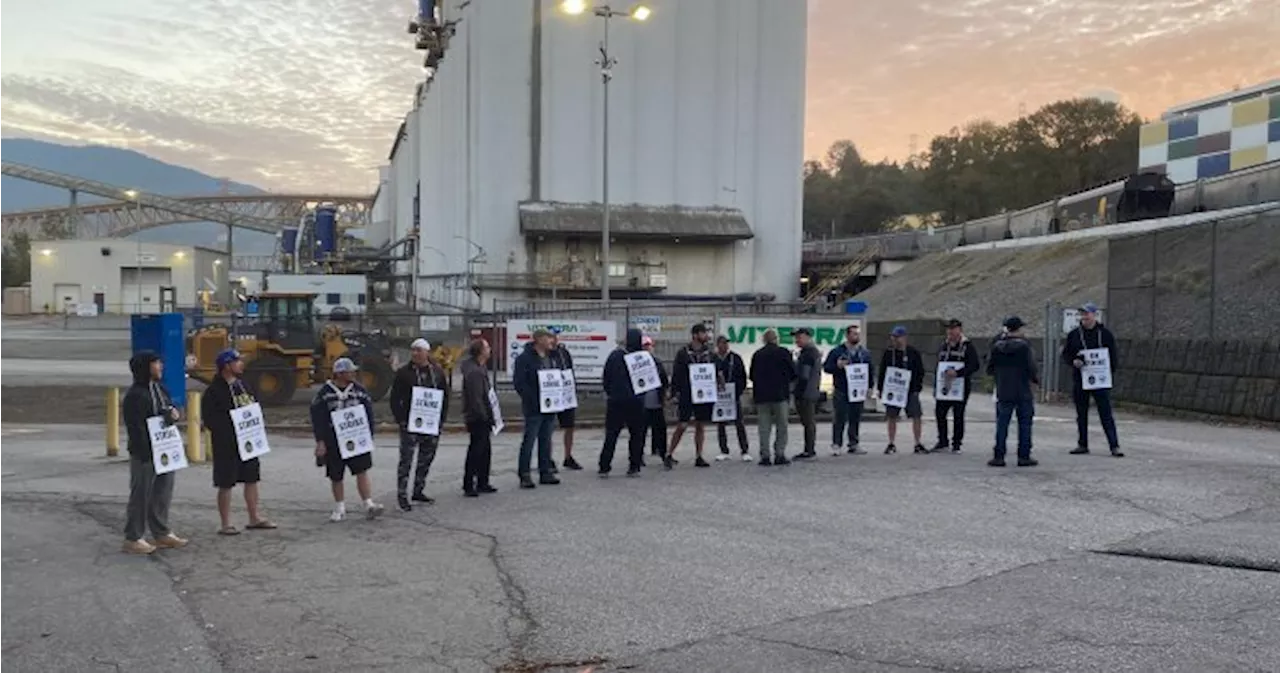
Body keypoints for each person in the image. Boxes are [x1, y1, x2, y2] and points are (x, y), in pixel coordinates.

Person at [202, 349, 277, 536]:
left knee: (252, 479)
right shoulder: (213, 391)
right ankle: (226, 523)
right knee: (226, 483)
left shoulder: (244, 386)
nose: (241, 364)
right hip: (226, 444)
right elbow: (210, 420)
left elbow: (254, 406)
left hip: (248, 441)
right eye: (237, 362)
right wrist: (230, 427)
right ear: (226, 366)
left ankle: (254, 517)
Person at [121, 351, 186, 554]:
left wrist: (173, 414)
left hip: (165, 450)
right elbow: (135, 426)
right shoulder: (135, 395)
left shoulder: (160, 389)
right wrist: (144, 450)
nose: (160, 366)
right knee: (141, 494)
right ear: (145, 367)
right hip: (145, 453)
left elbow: (167, 410)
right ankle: (133, 537)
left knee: (162, 492)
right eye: (156, 363)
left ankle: (161, 532)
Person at [311, 358, 385, 521]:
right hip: (334, 439)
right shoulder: (325, 393)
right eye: (350, 371)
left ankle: (368, 504)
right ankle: (339, 507)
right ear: (339, 373)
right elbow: (318, 417)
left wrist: (369, 435)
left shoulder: (359, 390)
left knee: (362, 471)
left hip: (356, 437)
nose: (353, 373)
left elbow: (368, 413)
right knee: (336, 475)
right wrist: (320, 441)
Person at [388, 338, 449, 511]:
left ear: (426, 352)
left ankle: (418, 490)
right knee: (406, 460)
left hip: (431, 422)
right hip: (410, 422)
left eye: (419, 350)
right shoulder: (403, 373)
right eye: (413, 350)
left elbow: (445, 396)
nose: (415, 353)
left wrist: (441, 420)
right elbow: (395, 399)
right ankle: (402, 494)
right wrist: (400, 419)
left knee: (426, 458)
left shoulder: (437, 372)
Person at [1062, 302, 1124, 457]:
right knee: (1081, 413)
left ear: (1094, 315)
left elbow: (1113, 356)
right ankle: (1082, 444)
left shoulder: (1105, 334)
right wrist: (1073, 362)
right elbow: (1066, 354)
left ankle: (1114, 445)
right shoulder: (1074, 334)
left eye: (1087, 314)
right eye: (1082, 314)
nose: (1084, 317)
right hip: (1081, 379)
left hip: (1101, 380)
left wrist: (1108, 374)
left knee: (1106, 413)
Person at [987, 316, 1040, 467]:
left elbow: (990, 367)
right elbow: (1031, 367)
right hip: (1022, 388)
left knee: (1002, 423)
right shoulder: (1025, 346)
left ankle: (999, 455)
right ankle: (1024, 455)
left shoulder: (997, 346)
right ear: (1019, 329)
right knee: (1025, 423)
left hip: (1003, 388)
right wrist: (1035, 380)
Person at [512, 329, 561, 489]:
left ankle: (545, 471)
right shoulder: (525, 359)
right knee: (529, 440)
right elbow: (519, 382)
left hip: (550, 405)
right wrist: (531, 398)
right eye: (548, 338)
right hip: (534, 406)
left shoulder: (551, 357)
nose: (551, 341)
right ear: (539, 339)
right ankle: (524, 473)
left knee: (546, 440)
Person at [599, 328, 650, 477]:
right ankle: (634, 466)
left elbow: (606, 378)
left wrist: (611, 393)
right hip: (636, 402)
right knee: (636, 435)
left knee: (611, 435)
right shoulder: (641, 357)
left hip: (616, 401)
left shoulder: (615, 356)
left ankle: (604, 466)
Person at [823, 324, 874, 456]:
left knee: (855, 417)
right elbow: (827, 367)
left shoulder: (864, 353)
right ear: (847, 335)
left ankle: (854, 443)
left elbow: (870, 370)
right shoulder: (837, 352)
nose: (856, 336)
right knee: (839, 417)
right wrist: (837, 366)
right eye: (854, 334)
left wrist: (870, 387)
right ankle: (836, 444)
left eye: (858, 334)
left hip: (858, 390)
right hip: (842, 389)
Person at [932, 319, 981, 454]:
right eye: (948, 329)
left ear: (959, 330)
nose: (950, 331)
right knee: (940, 413)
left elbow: (974, 365)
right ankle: (942, 441)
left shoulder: (967, 346)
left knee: (958, 415)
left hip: (961, 386)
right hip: (945, 386)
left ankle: (957, 443)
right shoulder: (943, 345)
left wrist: (958, 373)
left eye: (953, 329)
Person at [669, 323, 715, 468]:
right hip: (687, 393)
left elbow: (715, 371)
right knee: (682, 424)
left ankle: (699, 456)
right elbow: (676, 374)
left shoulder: (709, 353)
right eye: (703, 333)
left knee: (700, 424)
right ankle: (669, 453)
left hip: (703, 394)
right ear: (695, 335)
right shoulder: (683, 352)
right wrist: (674, 393)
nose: (706, 336)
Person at [877, 326, 926, 455]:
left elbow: (920, 371)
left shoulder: (913, 353)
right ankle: (891, 442)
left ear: (904, 338)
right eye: (893, 337)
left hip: (910, 389)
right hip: (894, 389)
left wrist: (917, 387)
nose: (895, 340)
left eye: (897, 337)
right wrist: (881, 389)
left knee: (916, 416)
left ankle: (917, 442)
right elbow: (882, 371)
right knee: (892, 416)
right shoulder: (888, 353)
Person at [749, 329, 795, 466]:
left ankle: (765, 456)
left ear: (764, 340)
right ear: (776, 339)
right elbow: (792, 373)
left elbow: (752, 375)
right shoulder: (783, 353)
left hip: (762, 396)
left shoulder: (758, 354)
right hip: (780, 395)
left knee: (764, 427)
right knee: (782, 426)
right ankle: (779, 454)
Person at [460, 338, 498, 497]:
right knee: (476, 450)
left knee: (485, 450)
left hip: (483, 414)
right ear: (481, 351)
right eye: (487, 347)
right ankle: (469, 483)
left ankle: (483, 480)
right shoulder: (474, 372)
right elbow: (476, 398)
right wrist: (484, 416)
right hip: (478, 417)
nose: (490, 349)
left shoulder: (479, 367)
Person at [545, 328, 583, 471]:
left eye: (556, 336)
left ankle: (568, 456)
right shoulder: (545, 354)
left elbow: (569, 369)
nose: (554, 339)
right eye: (551, 337)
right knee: (548, 428)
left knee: (570, 426)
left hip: (566, 394)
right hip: (551, 393)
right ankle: (547, 458)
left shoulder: (563, 352)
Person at [712, 335, 752, 462]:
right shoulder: (712, 359)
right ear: (718, 345)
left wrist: (738, 391)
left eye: (727, 343)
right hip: (719, 396)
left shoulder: (735, 358)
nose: (725, 345)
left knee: (739, 422)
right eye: (722, 343)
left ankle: (744, 450)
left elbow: (742, 376)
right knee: (720, 423)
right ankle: (724, 450)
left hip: (733, 394)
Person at [640, 336, 671, 467]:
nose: (647, 348)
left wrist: (665, 396)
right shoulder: (636, 363)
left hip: (656, 402)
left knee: (661, 430)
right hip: (641, 404)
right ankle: (638, 456)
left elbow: (664, 380)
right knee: (640, 432)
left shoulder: (657, 362)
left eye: (649, 346)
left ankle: (664, 455)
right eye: (644, 346)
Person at [792, 328, 822, 460]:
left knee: (808, 422)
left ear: (808, 337)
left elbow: (804, 375)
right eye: (796, 337)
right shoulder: (808, 352)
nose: (797, 340)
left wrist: (798, 391)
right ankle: (808, 449)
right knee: (808, 422)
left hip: (806, 392)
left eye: (800, 337)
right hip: (810, 391)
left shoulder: (808, 353)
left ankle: (809, 450)